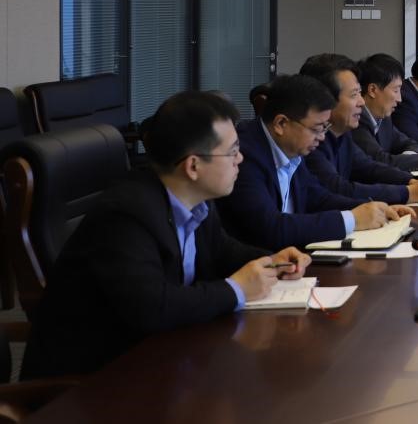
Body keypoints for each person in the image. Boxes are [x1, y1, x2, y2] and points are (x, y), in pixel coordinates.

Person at [22, 92, 311, 379]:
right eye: (232, 151)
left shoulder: (194, 198)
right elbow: (152, 308)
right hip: (93, 380)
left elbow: (222, 250)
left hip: (162, 358)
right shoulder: (125, 216)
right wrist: (236, 289)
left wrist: (273, 261)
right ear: (193, 166)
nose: (241, 159)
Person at [219, 74, 413, 251]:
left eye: (325, 128)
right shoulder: (244, 156)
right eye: (317, 128)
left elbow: (317, 197)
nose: (322, 137)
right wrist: (352, 219)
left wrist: (375, 209)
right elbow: (270, 228)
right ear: (281, 124)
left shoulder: (291, 148)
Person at [299, 54, 418, 205]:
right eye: (354, 95)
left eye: (359, 93)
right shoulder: (310, 143)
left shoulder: (341, 134)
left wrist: (412, 181)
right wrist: (409, 192)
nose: (362, 101)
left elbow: (369, 167)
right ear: (324, 100)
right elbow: (338, 189)